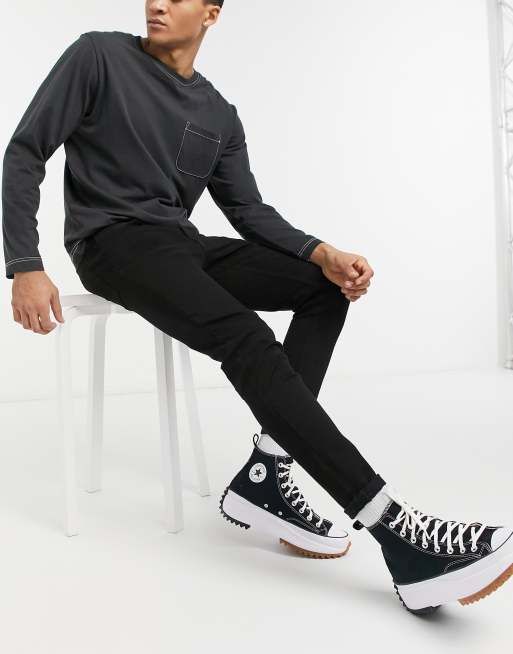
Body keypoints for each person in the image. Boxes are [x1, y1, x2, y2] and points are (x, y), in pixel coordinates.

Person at [3, 0, 512, 615]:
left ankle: (267, 472)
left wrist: (322, 252)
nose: (157, 4)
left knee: (322, 289)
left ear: (211, 14)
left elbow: (247, 210)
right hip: (112, 243)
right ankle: (395, 531)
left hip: (181, 244)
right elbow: (26, 150)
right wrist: (25, 263)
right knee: (247, 339)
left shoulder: (218, 113)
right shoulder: (99, 55)